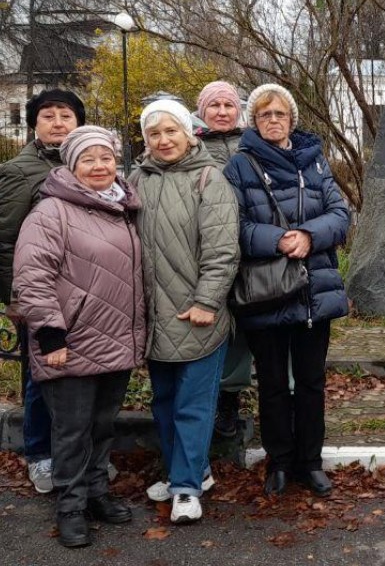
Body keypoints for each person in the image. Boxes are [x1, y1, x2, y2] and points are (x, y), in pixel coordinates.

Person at [13, 126, 145, 548]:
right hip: (69, 342)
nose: (99, 166)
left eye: (105, 157)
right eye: (88, 159)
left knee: (102, 426)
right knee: (71, 431)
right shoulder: (51, 211)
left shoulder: (123, 206)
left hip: (116, 341)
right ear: (71, 165)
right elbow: (32, 276)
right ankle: (70, 506)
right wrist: (50, 333)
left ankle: (97, 494)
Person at [224, 84, 350, 497]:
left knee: (311, 382)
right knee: (274, 383)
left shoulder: (315, 163)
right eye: (264, 115)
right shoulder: (240, 166)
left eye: (279, 114)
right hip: (266, 291)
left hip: (314, 288)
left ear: (291, 119)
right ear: (254, 122)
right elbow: (233, 226)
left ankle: (309, 462)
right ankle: (278, 462)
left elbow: (340, 214)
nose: (273, 120)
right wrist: (278, 239)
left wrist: (309, 236)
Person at [133, 99, 239, 524]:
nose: (163, 140)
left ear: (187, 131)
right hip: (153, 317)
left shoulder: (209, 178)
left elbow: (223, 249)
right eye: (154, 133)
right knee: (163, 401)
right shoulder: (136, 179)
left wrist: (206, 301)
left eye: (170, 131)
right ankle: (194, 471)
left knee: (192, 405)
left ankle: (185, 488)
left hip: (197, 314)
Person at [0, 88, 84, 494]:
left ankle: (74, 457)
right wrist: (14, 297)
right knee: (41, 376)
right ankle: (41, 455)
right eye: (48, 115)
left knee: (79, 376)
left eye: (65, 115)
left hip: (84, 292)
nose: (57, 122)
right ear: (34, 123)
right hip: (40, 293)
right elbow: (5, 239)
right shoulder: (20, 171)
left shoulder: (88, 164)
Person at [196, 80, 250, 440]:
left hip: (251, 251)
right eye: (214, 106)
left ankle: (231, 397)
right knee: (211, 326)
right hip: (206, 252)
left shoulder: (252, 143)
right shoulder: (191, 147)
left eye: (228, 106)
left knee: (244, 330)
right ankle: (209, 400)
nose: (221, 112)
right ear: (202, 111)